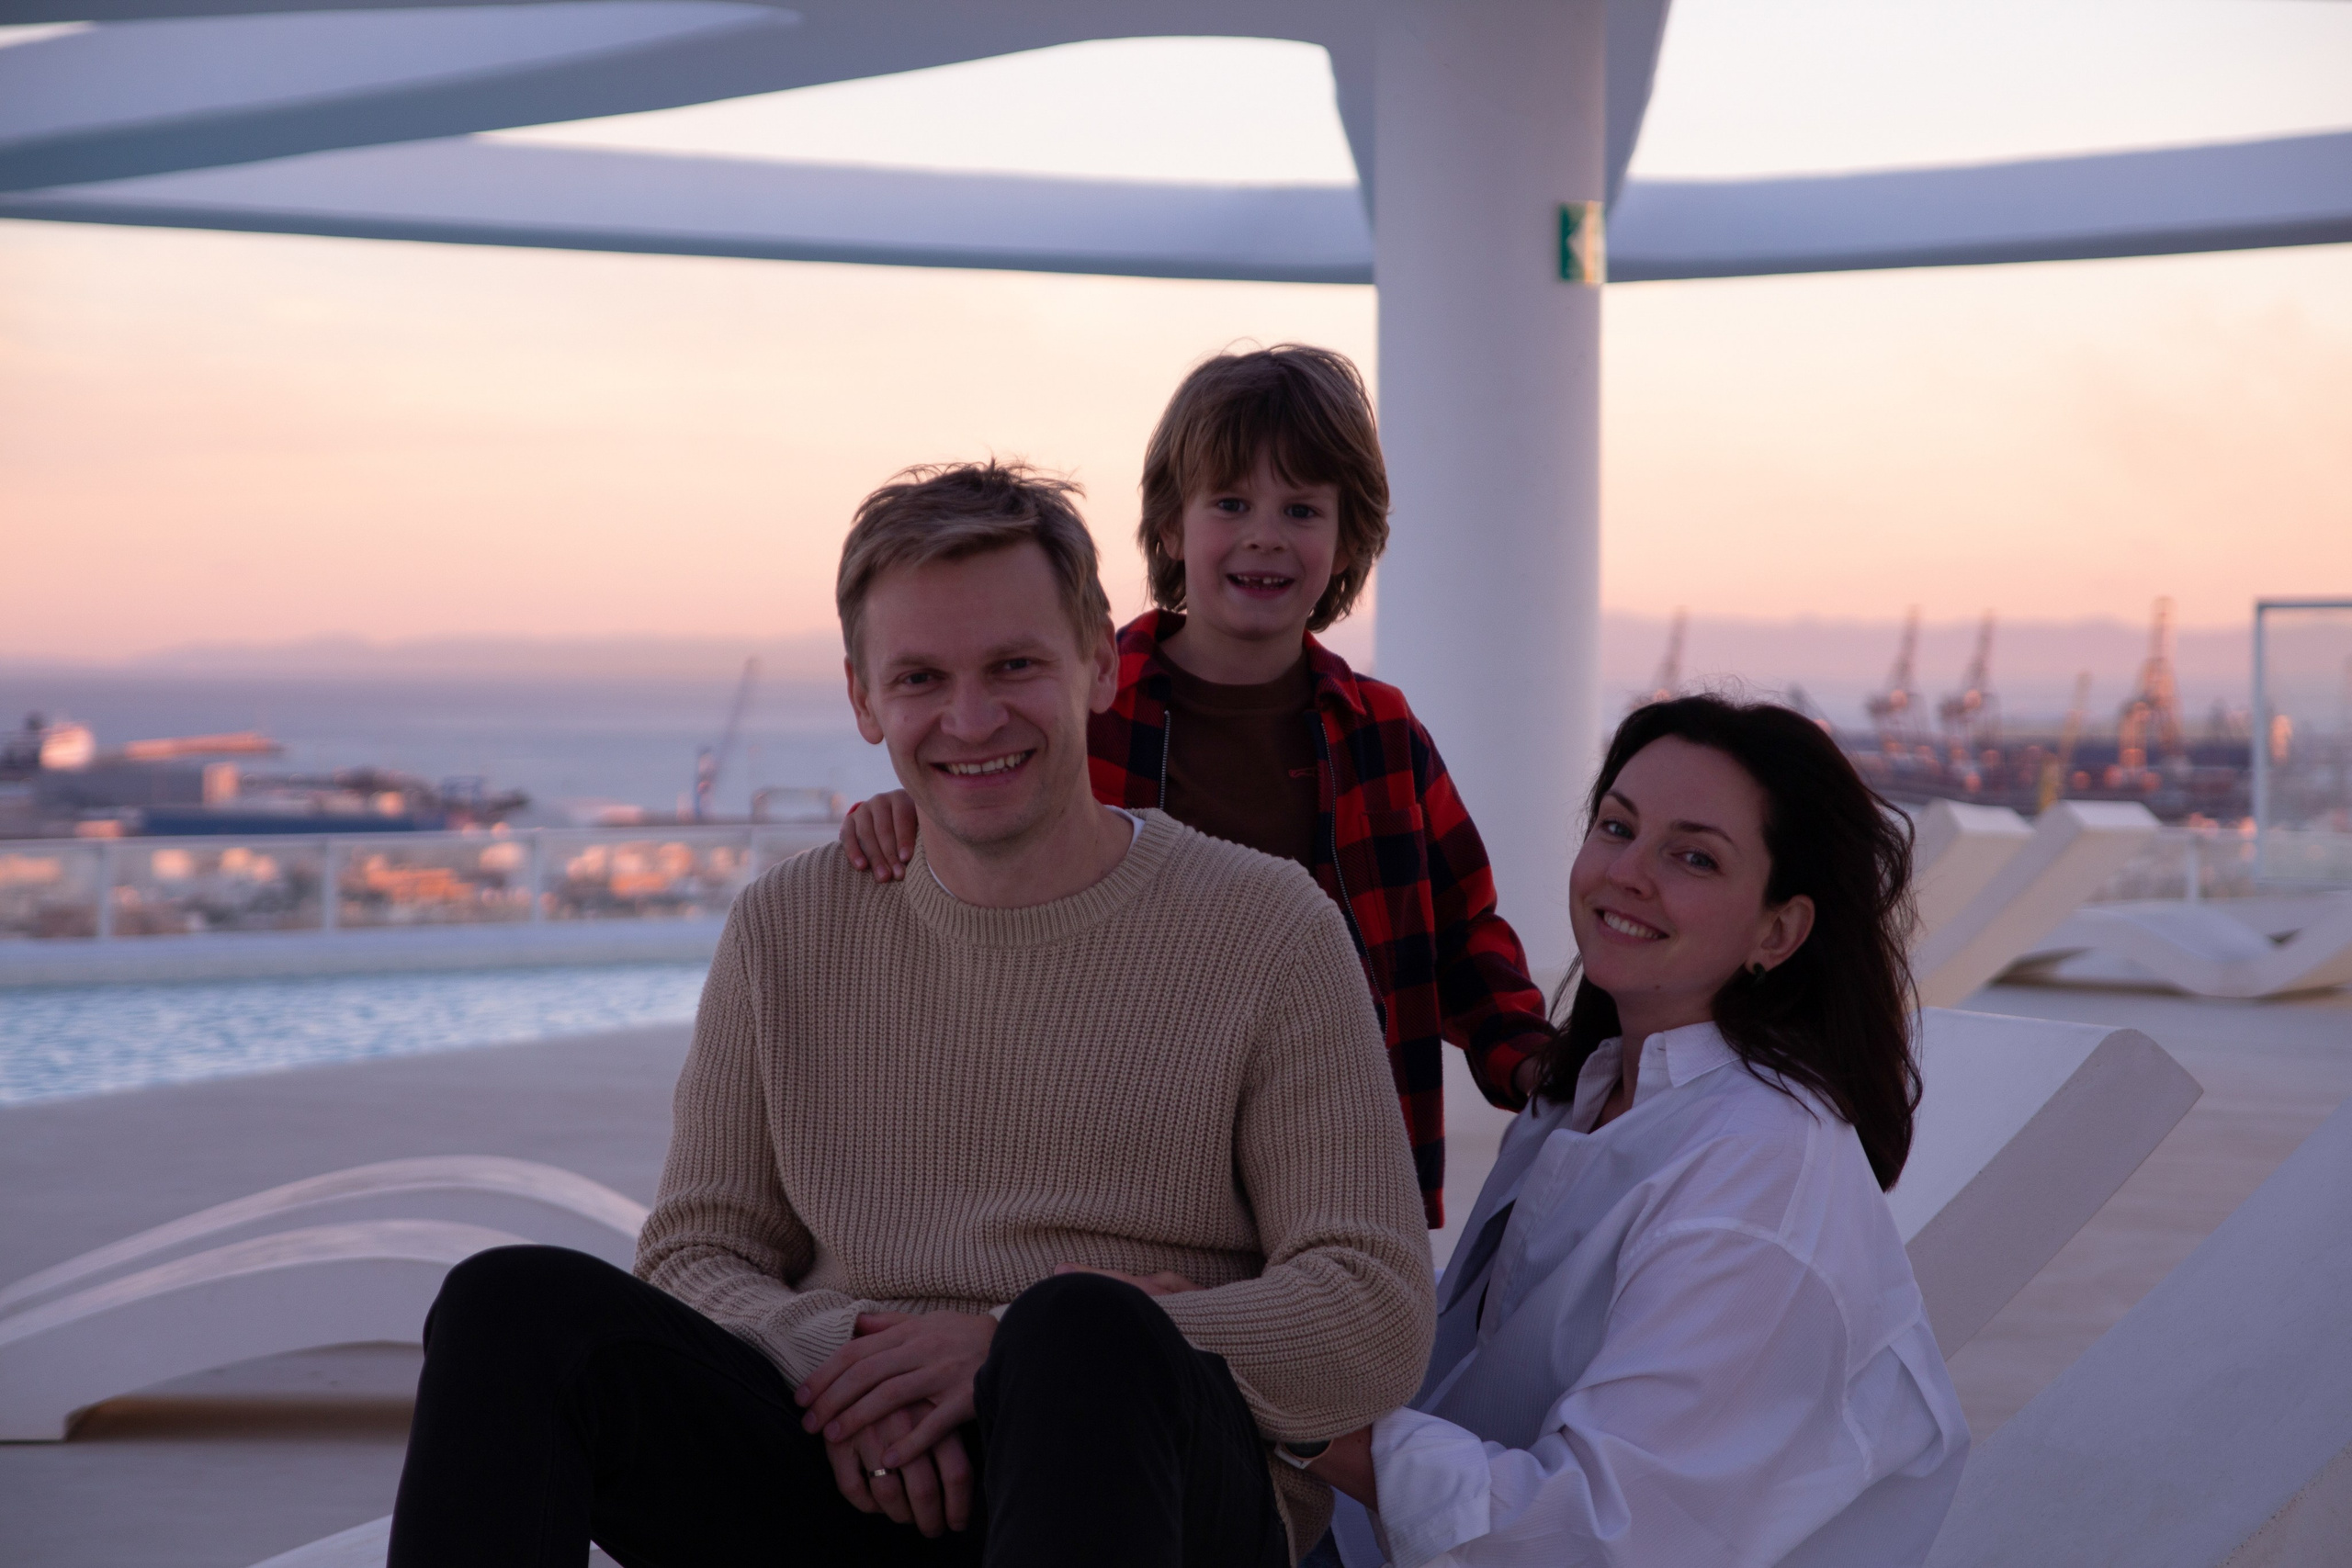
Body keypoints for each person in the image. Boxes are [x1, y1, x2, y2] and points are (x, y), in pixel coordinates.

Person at [386, 461, 1435, 1568]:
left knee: (1074, 1330)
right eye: (921, 677)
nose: (969, 718)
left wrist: (1001, 1350)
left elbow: (1370, 1311)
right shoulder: (789, 928)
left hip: (1146, 1486)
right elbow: (696, 1254)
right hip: (852, 1466)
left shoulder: (1267, 927)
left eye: (1015, 665)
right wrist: (861, 1365)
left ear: (1098, 663)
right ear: (861, 697)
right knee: (510, 1310)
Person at [842, 344, 1552, 1227]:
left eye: (1301, 507)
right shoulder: (1092, 708)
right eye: (1230, 503)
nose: (1265, 534)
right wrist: (914, 813)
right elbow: (991, 803)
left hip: (1342, 1165)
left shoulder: (1383, 734)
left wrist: (1531, 1063)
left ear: (1347, 539)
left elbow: (1459, 932)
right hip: (1141, 1163)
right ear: (1172, 529)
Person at [1309, 695, 1971, 1567]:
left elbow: (1597, 1533)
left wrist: (1298, 1409)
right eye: (1617, 826)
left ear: (1778, 929)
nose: (1629, 872)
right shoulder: (1582, 1093)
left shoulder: (1760, 1174)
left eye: (1693, 856)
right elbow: (1490, 1339)